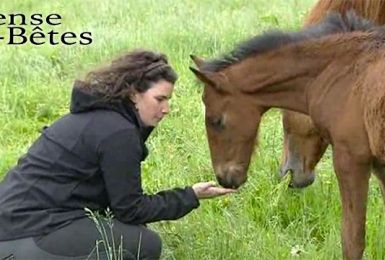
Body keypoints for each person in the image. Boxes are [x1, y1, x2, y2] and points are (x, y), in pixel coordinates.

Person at [0, 49, 236, 259]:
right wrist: (190, 195)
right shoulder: (118, 132)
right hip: (23, 234)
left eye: (168, 100)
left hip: (15, 221)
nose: (166, 109)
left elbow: (119, 205)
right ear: (134, 94)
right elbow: (130, 208)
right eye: (160, 99)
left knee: (130, 234)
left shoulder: (100, 117)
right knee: (145, 245)